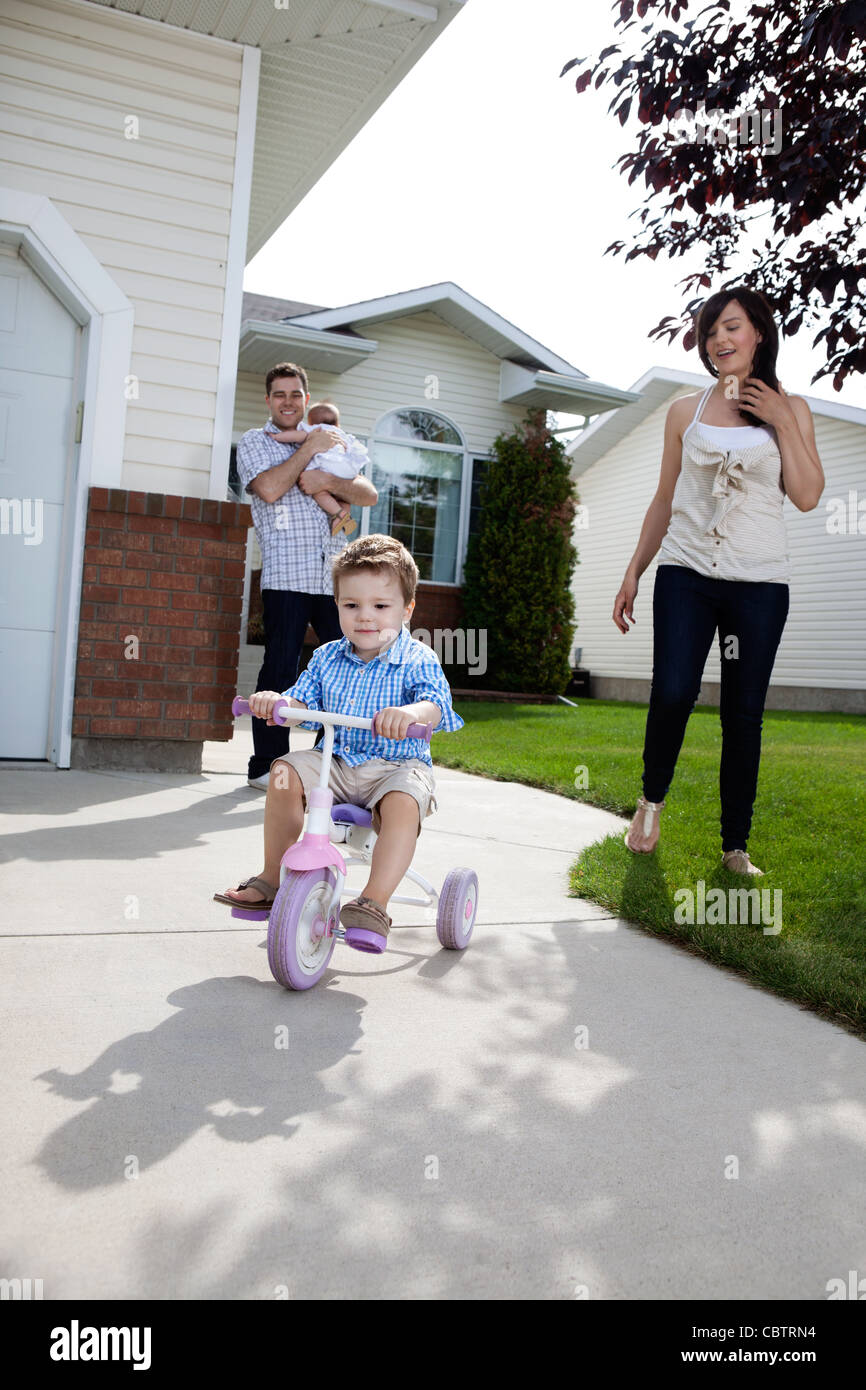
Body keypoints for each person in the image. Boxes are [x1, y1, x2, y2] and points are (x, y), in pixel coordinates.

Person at [612, 286, 825, 874]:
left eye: (731, 327)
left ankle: (735, 847)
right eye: (710, 333)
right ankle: (651, 801)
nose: (719, 341)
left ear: (759, 332)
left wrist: (782, 419)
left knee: (743, 712)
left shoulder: (793, 408)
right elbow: (663, 498)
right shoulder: (686, 410)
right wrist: (634, 570)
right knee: (674, 690)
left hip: (759, 584)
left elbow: (807, 496)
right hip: (686, 572)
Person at [216, 535, 464, 947]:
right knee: (283, 771)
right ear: (337, 606)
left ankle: (373, 903)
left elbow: (434, 704)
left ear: (407, 609)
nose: (365, 617)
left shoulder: (418, 658)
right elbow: (301, 699)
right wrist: (277, 702)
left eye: (380, 607)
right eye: (351, 605)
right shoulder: (327, 656)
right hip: (336, 761)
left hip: (396, 767)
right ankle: (271, 877)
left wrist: (410, 714)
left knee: (404, 803)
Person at [237, 363, 378, 789]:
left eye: (296, 394)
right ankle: (266, 765)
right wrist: (309, 449)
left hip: (333, 579)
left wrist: (327, 476)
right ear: (268, 400)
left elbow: (367, 493)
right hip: (286, 575)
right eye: (279, 394)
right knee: (280, 667)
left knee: (347, 667)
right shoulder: (254, 442)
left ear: (305, 397)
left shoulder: (328, 441)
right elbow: (269, 489)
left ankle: (325, 765)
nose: (288, 402)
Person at [269, 400, 367, 537]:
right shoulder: (343, 435)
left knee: (319, 492)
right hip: (348, 469)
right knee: (344, 497)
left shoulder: (317, 430)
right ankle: (342, 518)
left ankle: (339, 513)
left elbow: (297, 436)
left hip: (328, 466)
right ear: (338, 424)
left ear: (311, 422)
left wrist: (277, 436)